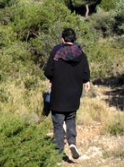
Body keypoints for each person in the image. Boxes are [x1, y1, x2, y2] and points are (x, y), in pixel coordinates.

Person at [44, 28, 91, 161]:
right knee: (71, 119)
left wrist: (54, 77)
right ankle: (72, 143)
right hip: (74, 95)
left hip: (58, 94)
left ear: (62, 39)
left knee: (58, 123)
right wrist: (86, 81)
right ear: (74, 39)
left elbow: (48, 71)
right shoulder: (81, 54)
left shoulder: (56, 51)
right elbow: (86, 74)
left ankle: (58, 154)